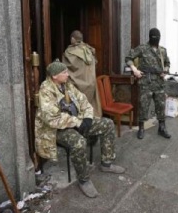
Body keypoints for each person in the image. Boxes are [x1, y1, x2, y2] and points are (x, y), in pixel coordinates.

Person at [35, 60, 125, 198]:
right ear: (54, 76)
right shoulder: (46, 90)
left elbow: (83, 101)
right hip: (56, 130)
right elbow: (52, 119)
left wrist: (88, 118)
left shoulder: (67, 85)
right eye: (64, 72)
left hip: (77, 121)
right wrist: (77, 122)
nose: (67, 74)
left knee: (107, 124)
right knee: (78, 142)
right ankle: (84, 180)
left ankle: (107, 163)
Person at [125, 28, 171, 140]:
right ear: (150, 37)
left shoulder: (162, 51)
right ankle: (141, 128)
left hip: (159, 83)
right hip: (146, 81)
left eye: (158, 38)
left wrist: (165, 70)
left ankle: (162, 127)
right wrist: (134, 69)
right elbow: (128, 58)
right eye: (154, 38)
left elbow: (167, 63)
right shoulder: (142, 48)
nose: (156, 40)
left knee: (160, 105)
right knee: (143, 105)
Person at [62, 30, 102, 117]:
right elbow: (94, 63)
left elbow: (65, 68)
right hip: (91, 83)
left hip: (77, 85)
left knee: (78, 108)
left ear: (73, 39)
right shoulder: (89, 49)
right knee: (90, 106)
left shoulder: (69, 52)